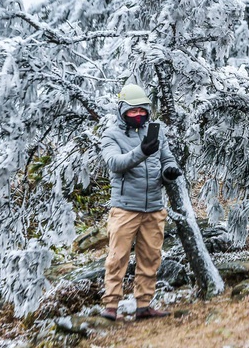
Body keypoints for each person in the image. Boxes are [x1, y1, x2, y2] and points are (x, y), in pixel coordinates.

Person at [99, 83, 183, 321]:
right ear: (122, 111)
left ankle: (144, 306)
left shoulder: (156, 131)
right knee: (117, 259)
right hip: (125, 208)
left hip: (154, 207)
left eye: (142, 111)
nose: (138, 115)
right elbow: (114, 163)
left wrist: (169, 171)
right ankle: (111, 307)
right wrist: (142, 152)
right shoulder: (111, 135)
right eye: (132, 111)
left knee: (151, 258)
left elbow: (166, 157)